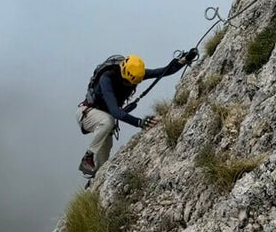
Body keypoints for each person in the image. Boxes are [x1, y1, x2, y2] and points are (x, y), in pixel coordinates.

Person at [77, 49, 197, 178]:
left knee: (104, 154)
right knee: (108, 122)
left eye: (132, 83)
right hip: (87, 113)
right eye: (128, 82)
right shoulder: (107, 78)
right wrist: (139, 122)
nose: (129, 84)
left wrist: (183, 60)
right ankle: (88, 156)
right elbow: (115, 112)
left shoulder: (134, 73)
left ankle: (96, 178)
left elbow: (163, 72)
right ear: (123, 72)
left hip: (104, 117)